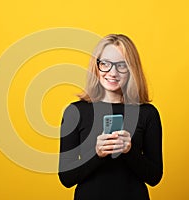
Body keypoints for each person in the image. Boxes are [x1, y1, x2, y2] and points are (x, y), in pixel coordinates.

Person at [58, 34, 163, 200]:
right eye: (105, 64)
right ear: (96, 66)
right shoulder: (75, 112)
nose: (112, 73)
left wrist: (129, 151)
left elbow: (154, 177)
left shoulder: (147, 113)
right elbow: (66, 178)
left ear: (131, 69)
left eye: (121, 65)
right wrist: (96, 154)